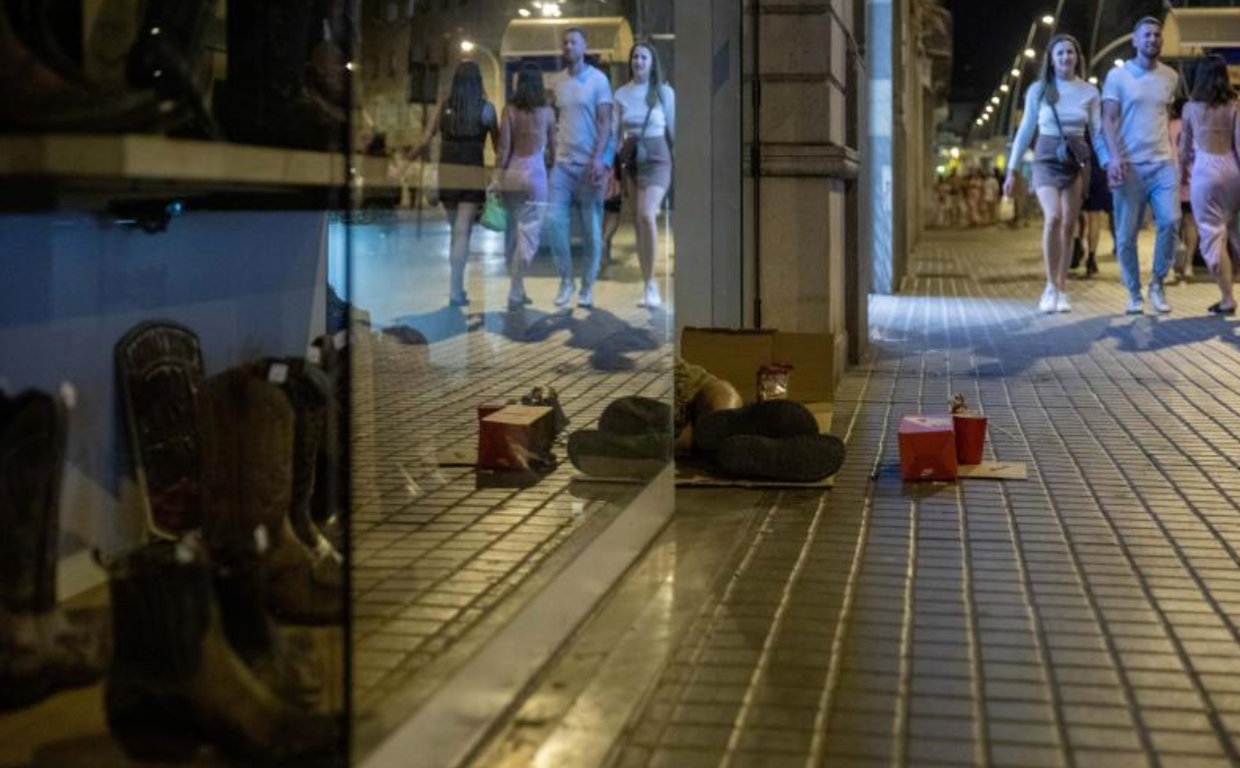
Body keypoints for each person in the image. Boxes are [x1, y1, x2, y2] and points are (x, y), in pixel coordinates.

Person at [1004, 33, 1104, 313]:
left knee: (1070, 225)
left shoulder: (1090, 92)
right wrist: (1011, 169)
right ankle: (1049, 286)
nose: (1065, 57)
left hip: (1075, 160)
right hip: (1046, 157)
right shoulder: (1038, 90)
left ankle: (1062, 289)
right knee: (1054, 218)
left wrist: (1108, 161)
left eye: (1070, 52)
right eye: (1060, 53)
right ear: (1051, 58)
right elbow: (1025, 130)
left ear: (1077, 57)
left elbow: (1096, 133)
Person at [1101, 16, 1181, 315]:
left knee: (1171, 221)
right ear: (1135, 40)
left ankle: (1157, 284)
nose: (1152, 39)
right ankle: (1134, 293)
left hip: (1162, 164)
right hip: (1129, 166)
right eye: (1146, 35)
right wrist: (1113, 157)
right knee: (1125, 235)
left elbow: (1164, 115)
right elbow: (1107, 118)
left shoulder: (1170, 77)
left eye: (1157, 35)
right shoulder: (1117, 76)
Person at [409, 61, 499, 307]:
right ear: (479, 81)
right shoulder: (487, 110)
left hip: (447, 172)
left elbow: (425, 140)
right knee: (463, 233)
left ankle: (456, 288)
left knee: (455, 232)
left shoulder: (444, 107)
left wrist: (404, 162)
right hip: (471, 172)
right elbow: (499, 147)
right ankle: (456, 291)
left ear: (456, 82)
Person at [547, 27, 615, 310]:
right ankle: (566, 280)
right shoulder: (557, 82)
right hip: (562, 165)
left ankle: (587, 285)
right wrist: (552, 152)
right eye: (564, 42)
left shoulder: (598, 80)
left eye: (573, 41)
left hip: (589, 165)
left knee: (591, 230)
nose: (568, 45)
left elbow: (605, 123)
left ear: (584, 46)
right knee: (552, 221)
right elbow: (554, 121)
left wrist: (599, 159)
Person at [615, 41, 675, 309]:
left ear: (652, 63)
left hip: (658, 155)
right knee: (639, 222)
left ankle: (653, 287)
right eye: (635, 57)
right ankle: (648, 284)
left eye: (643, 57)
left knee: (647, 215)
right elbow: (617, 136)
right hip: (632, 158)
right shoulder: (621, 94)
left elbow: (674, 130)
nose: (638, 61)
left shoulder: (664, 92)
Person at [1178, 55, 1240, 315]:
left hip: (1204, 173)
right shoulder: (1235, 105)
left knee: (1212, 236)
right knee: (1237, 233)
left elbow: (1183, 150)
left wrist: (1182, 175)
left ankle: (1227, 299)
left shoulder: (1191, 108)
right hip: (1233, 172)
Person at [493, 62, 556, 311]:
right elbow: (553, 151)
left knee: (515, 234)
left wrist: (497, 178)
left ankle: (518, 287)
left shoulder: (508, 111)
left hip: (513, 176)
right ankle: (515, 289)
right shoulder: (548, 112)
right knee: (529, 236)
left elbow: (503, 149)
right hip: (537, 176)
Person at [1169, 97, 1198, 283]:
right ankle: (1188, 265)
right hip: (1193, 179)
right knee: (1191, 223)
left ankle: (1172, 266)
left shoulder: (1168, 126)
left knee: (1172, 225)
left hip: (1171, 180)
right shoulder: (1195, 127)